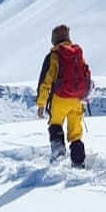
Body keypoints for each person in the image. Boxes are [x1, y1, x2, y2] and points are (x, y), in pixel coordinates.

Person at [36, 24, 92, 167]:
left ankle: (58, 148)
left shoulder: (54, 56)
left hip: (59, 98)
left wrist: (41, 103)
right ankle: (78, 162)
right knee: (75, 134)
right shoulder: (78, 54)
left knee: (55, 124)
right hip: (76, 100)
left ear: (54, 40)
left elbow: (46, 81)